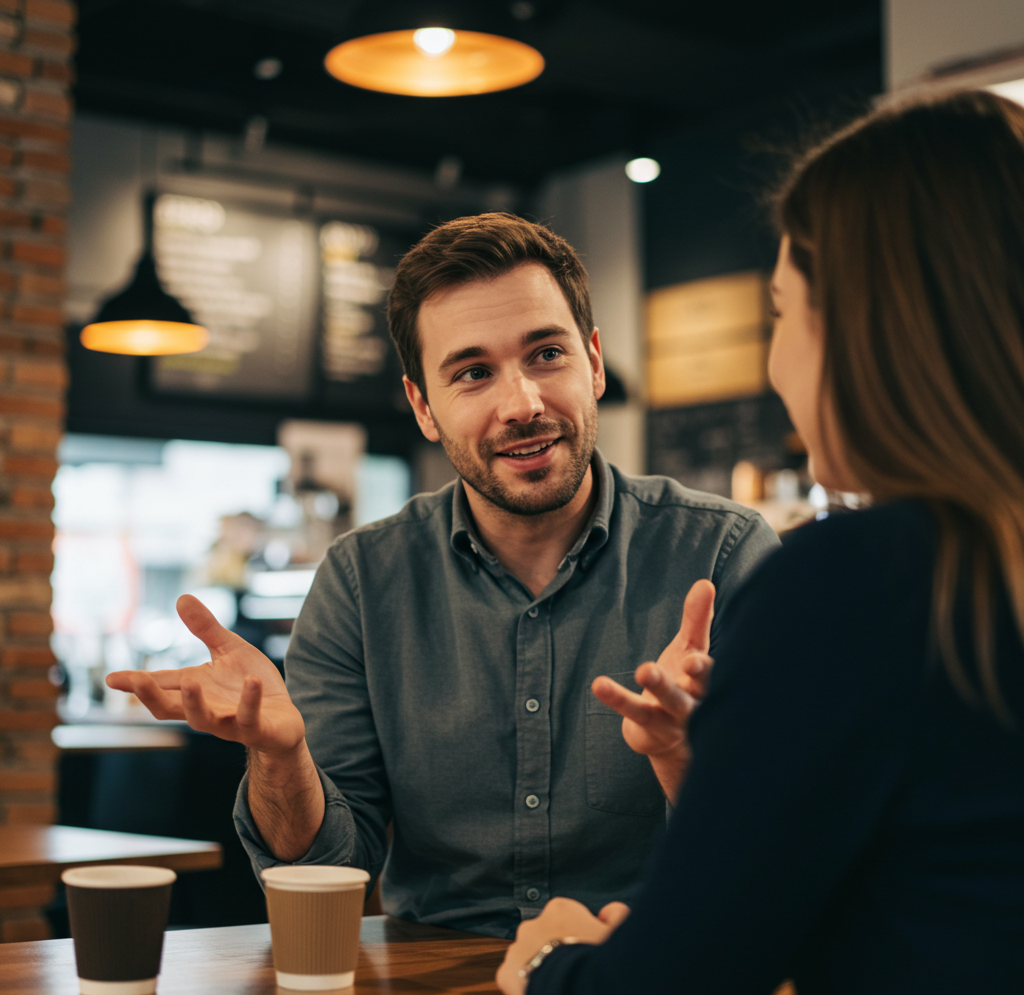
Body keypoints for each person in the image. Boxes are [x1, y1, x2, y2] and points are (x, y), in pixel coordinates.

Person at [497, 90, 1024, 995]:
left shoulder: (858, 584)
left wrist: (550, 964)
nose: (778, 361)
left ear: (870, 329)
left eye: (783, 311)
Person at [108, 213, 778, 938]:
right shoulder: (362, 581)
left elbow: (785, 850)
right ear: (424, 407)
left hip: (662, 975)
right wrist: (278, 756)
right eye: (473, 373)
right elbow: (332, 866)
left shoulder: (724, 555)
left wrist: (689, 751)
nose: (521, 404)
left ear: (593, 361)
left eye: (546, 354)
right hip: (431, 986)